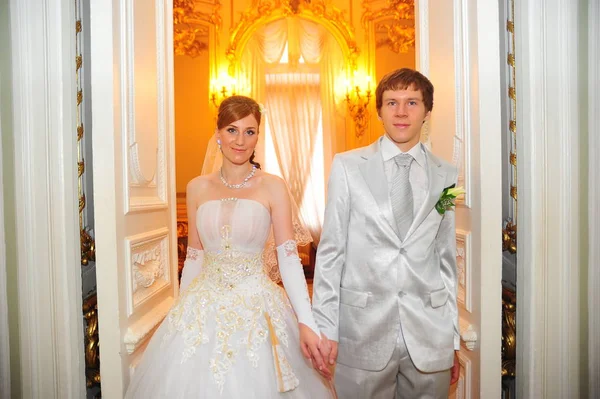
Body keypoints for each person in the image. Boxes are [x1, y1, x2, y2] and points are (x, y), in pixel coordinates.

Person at [126, 95, 333, 398]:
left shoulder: (272, 185)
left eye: (250, 132)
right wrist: (182, 307)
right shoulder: (198, 187)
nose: (240, 140)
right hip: (202, 304)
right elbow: (195, 256)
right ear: (218, 133)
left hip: (257, 304)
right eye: (232, 130)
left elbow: (288, 260)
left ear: (257, 137)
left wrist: (306, 321)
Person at [312, 68, 461, 398]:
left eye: (412, 102)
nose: (401, 112)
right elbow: (331, 252)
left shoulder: (447, 176)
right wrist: (325, 327)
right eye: (392, 102)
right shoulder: (347, 166)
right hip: (362, 332)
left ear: (427, 111)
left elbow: (445, 259)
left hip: (429, 334)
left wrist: (452, 338)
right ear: (379, 110)